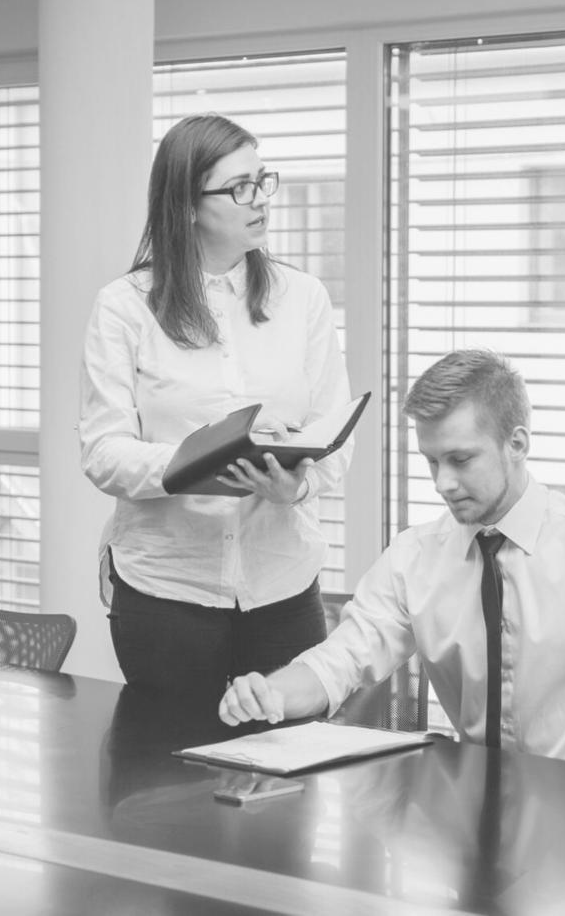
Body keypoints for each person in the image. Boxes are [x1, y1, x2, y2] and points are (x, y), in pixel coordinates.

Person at [219, 349, 565, 769]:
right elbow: (339, 661)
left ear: (518, 443)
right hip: (475, 819)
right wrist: (272, 693)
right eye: (432, 461)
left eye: (461, 459)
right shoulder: (416, 558)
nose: (443, 483)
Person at [80, 113, 351, 706]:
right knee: (166, 782)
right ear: (185, 206)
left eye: (263, 181)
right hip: (166, 592)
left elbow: (335, 434)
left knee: (289, 778)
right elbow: (102, 453)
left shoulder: (302, 299)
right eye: (239, 188)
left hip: (283, 586)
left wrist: (294, 488)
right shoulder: (125, 307)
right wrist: (196, 462)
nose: (260, 201)